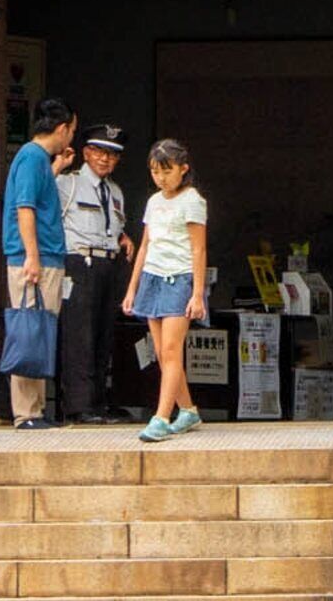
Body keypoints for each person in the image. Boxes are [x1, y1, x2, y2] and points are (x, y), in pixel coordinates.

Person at [123, 138, 210, 443]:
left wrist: (197, 293)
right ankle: (187, 410)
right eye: (155, 171)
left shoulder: (193, 200)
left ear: (183, 169)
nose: (160, 177)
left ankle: (161, 417)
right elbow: (145, 245)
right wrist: (132, 289)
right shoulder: (153, 201)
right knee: (161, 353)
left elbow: (198, 250)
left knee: (171, 351)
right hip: (152, 277)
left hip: (179, 278)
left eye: (167, 171)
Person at [0, 99, 78, 428]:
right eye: (71, 131)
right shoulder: (32, 157)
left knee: (38, 330)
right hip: (36, 257)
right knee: (29, 330)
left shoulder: (37, 159)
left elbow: (35, 197)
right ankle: (26, 413)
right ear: (61, 128)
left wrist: (57, 167)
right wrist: (32, 256)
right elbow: (25, 207)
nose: (71, 138)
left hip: (44, 255)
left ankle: (35, 410)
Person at [54, 124, 132, 423]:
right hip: (79, 262)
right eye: (99, 152)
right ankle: (78, 406)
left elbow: (113, 225)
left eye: (112, 154)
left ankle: (98, 403)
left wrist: (123, 237)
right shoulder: (67, 183)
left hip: (108, 264)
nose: (105, 159)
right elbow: (37, 199)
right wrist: (57, 165)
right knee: (79, 335)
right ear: (86, 153)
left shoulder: (116, 191)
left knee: (103, 334)